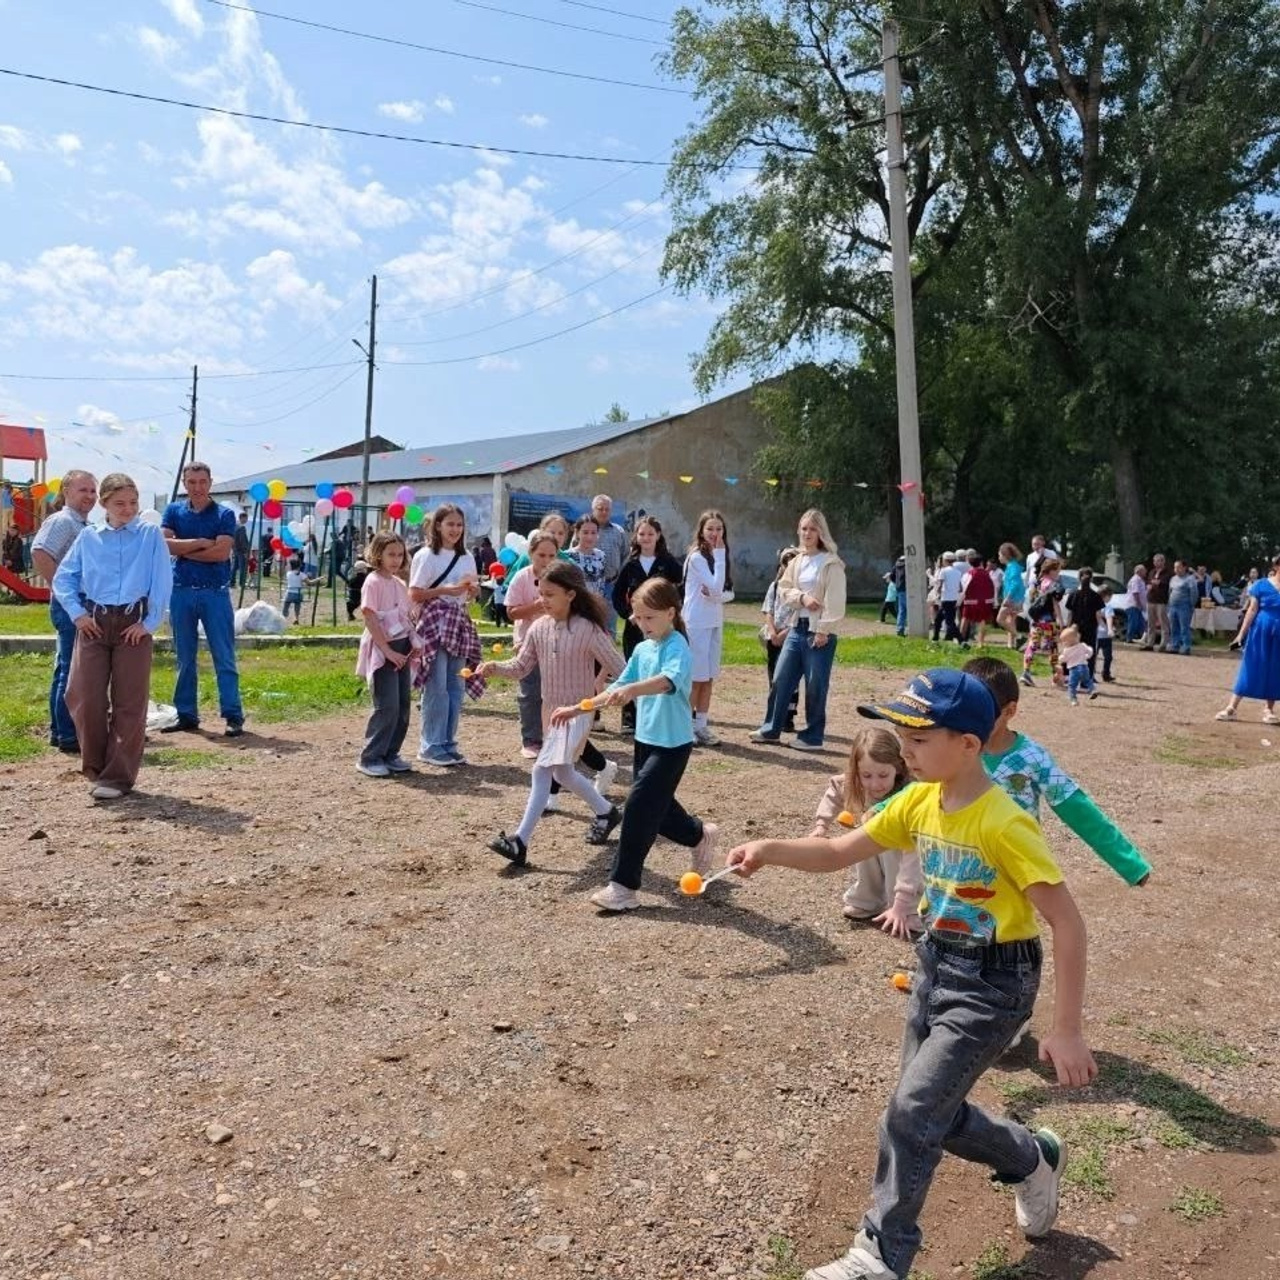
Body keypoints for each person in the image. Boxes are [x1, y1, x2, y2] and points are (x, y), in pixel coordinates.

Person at [726, 668, 1097, 1280]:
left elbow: (1067, 922)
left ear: (969, 745)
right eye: (901, 737)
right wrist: (769, 848)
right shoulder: (919, 798)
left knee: (912, 1109)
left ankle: (880, 1254)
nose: (904, 751)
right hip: (936, 966)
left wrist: (1067, 1028)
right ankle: (1032, 1157)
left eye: (919, 741)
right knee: (929, 1113)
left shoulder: (1004, 823)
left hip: (993, 983)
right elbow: (841, 852)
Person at [583, 577, 718, 910]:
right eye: (638, 617)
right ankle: (700, 835)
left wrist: (630, 691)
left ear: (671, 613)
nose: (642, 624)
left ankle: (623, 887)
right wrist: (580, 706)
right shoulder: (643, 649)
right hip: (645, 741)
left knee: (639, 807)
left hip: (673, 746)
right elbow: (624, 681)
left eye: (649, 617)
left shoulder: (678, 647)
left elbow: (665, 682)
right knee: (661, 811)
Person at [479, 561, 625, 867]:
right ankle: (606, 812)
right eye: (541, 593)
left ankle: (520, 841)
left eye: (550, 594)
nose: (542, 600)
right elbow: (521, 667)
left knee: (542, 770)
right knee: (562, 772)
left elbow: (620, 668)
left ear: (571, 594)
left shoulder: (588, 630)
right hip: (551, 712)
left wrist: (606, 696)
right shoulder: (539, 628)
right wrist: (495, 667)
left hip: (577, 713)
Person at [963, 657, 1151, 886]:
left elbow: (1077, 808)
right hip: (960, 863)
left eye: (984, 714)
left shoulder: (1032, 759)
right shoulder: (954, 749)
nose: (973, 722)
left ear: (1010, 711)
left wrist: (1129, 863)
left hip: (1015, 868)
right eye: (966, 711)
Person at [52, 473, 173, 801]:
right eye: (120, 503)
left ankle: (118, 777)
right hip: (94, 622)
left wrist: (148, 624)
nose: (128, 509)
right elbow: (64, 579)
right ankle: (95, 767)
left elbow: (162, 581)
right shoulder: (89, 537)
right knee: (83, 695)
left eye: (133, 502)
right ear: (104, 504)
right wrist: (77, 613)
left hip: (133, 624)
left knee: (129, 702)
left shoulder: (149, 535)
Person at [809, 725, 920, 934]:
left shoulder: (909, 789)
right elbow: (834, 792)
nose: (875, 784)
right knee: (862, 850)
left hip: (904, 848)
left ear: (898, 767)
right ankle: (866, 899)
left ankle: (909, 908)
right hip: (872, 838)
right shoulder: (854, 783)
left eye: (883, 775)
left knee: (893, 860)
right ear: (856, 771)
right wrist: (821, 824)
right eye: (867, 775)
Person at [750, 509, 845, 751]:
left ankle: (813, 736)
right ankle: (771, 728)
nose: (807, 533)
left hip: (818, 633)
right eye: (803, 528)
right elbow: (784, 590)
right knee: (781, 678)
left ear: (821, 532)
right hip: (796, 628)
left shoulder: (831, 563)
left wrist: (824, 629)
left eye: (812, 529)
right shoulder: (796, 561)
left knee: (815, 684)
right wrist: (802, 598)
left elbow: (835, 600)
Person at [162, 462, 245, 737]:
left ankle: (233, 715)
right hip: (181, 591)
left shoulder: (224, 514)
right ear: (185, 483)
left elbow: (221, 554)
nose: (197, 487)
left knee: (224, 655)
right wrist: (200, 542)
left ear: (210, 483)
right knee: (184, 657)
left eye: (202, 482)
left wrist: (183, 550)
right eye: (191, 482)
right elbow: (164, 545)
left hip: (215, 592)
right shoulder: (174, 510)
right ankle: (186, 714)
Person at [30, 469, 98, 754]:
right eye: (83, 490)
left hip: (77, 601)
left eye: (93, 491)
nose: (90, 496)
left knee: (67, 667)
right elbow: (40, 552)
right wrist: (63, 591)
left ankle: (62, 731)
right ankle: (68, 733)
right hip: (71, 604)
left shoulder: (81, 524)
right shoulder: (62, 521)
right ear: (66, 491)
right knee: (73, 670)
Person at [409, 503, 480, 767]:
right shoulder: (426, 555)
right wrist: (445, 591)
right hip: (434, 621)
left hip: (458, 621)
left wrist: (471, 591)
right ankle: (430, 744)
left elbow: (469, 591)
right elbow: (414, 593)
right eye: (450, 524)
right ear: (438, 526)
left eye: (459, 525)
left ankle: (448, 742)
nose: (455, 530)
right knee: (436, 685)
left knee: (455, 685)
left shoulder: (467, 557)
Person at [354, 531, 419, 778]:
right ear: (378, 555)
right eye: (390, 554)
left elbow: (405, 618)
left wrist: (414, 640)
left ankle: (391, 753)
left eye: (400, 554)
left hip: (402, 648)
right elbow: (370, 618)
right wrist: (387, 650)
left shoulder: (399, 584)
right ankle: (370, 756)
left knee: (403, 705)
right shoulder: (373, 582)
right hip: (383, 651)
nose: (396, 559)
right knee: (387, 705)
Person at [612, 516, 684, 736]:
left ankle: (655, 717)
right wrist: (628, 615)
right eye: (642, 534)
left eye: (650, 534)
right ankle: (629, 718)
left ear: (658, 536)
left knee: (657, 670)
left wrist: (669, 615)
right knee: (632, 669)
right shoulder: (630, 563)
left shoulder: (668, 562)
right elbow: (616, 595)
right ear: (636, 536)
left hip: (660, 629)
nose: (646, 538)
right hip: (635, 628)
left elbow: (679, 589)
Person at [505, 530, 562, 757]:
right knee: (530, 691)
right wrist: (536, 607)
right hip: (527, 641)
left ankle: (554, 737)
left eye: (551, 556)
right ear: (531, 554)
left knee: (555, 691)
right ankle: (531, 739)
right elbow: (511, 612)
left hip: (556, 641)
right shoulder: (522, 577)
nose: (546, 561)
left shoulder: (561, 579)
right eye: (541, 555)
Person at [683, 509, 734, 747]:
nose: (715, 534)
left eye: (719, 529)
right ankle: (686, 726)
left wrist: (718, 597)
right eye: (710, 529)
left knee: (709, 677)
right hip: (696, 623)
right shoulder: (697, 558)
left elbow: (727, 592)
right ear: (701, 531)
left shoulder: (721, 556)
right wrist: (718, 594)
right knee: (696, 677)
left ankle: (701, 725)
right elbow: (716, 588)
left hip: (714, 622)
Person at [1216, 553, 1280, 725]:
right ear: (1276, 566)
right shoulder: (1261, 585)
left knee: (1275, 669)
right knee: (1251, 665)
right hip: (1260, 631)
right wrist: (1241, 635)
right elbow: (1252, 610)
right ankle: (1232, 708)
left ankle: (1269, 709)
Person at [759, 547, 801, 736]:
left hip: (791, 637)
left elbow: (799, 615)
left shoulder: (800, 591)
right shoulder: (775, 586)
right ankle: (774, 715)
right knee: (774, 679)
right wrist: (773, 632)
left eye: (793, 562)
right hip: (773, 638)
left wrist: (784, 634)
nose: (789, 566)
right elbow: (768, 610)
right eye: (786, 562)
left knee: (791, 680)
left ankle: (789, 716)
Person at [1021, 557, 1065, 687]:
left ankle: (1026, 672)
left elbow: (1030, 600)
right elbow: (1055, 604)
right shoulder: (1053, 585)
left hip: (1035, 621)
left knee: (1032, 646)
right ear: (1051, 571)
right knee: (1053, 648)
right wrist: (1061, 621)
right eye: (1057, 570)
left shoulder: (1036, 583)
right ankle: (1055, 676)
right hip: (1048, 621)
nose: (1058, 573)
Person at [592, 494, 628, 636]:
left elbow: (626, 555)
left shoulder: (618, 531)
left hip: (611, 585)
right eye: (600, 509)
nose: (604, 512)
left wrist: (619, 578)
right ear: (593, 510)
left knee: (610, 627)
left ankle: (607, 657)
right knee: (588, 624)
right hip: (589, 586)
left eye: (607, 509)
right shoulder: (586, 529)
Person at [1063, 566, 1105, 677]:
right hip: (1090, 628)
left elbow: (1070, 613)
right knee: (1088, 652)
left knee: (1072, 650)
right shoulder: (1096, 596)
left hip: (1075, 628)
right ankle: (1087, 677)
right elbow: (1098, 614)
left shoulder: (1073, 594)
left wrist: (1067, 627)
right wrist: (1104, 627)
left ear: (1079, 578)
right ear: (1091, 579)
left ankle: (1069, 675)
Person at [958, 550, 996, 647]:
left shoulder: (968, 574)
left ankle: (961, 640)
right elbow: (992, 586)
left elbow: (964, 586)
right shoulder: (987, 574)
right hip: (984, 601)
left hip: (970, 601)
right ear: (981, 563)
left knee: (965, 619)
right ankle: (980, 642)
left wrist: (960, 600)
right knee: (982, 620)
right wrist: (993, 600)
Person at [568, 514, 608, 599]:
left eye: (593, 533)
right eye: (585, 532)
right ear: (578, 533)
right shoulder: (568, 556)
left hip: (595, 605)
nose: (589, 537)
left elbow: (601, 584)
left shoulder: (601, 555)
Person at [995, 543, 1025, 649]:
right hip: (1016, 597)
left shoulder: (1012, 567)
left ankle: (1019, 637)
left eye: (1000, 555)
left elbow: (1015, 584)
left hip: (1013, 597)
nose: (999, 558)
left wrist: (1007, 598)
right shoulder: (1012, 566)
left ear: (1005, 555)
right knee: (1010, 620)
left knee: (1000, 619)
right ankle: (1012, 644)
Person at [1057, 625, 1097, 705]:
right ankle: (1092, 690)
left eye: (1064, 641)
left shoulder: (1067, 650)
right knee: (1087, 680)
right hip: (1084, 667)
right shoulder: (1082, 645)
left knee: (1072, 685)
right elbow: (1090, 651)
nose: (1063, 643)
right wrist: (1086, 657)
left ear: (1068, 642)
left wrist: (1059, 657)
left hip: (1074, 669)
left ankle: (1073, 699)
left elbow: (1063, 659)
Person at [1166, 559, 1199, 656]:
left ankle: (1186, 646)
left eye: (1178, 567)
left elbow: (1194, 593)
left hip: (1184, 606)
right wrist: (1169, 604)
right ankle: (1175, 645)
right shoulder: (1173, 579)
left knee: (1184, 627)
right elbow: (1170, 592)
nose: (1176, 569)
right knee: (1173, 626)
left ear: (1184, 567)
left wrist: (1192, 604)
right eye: (1175, 567)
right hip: (1173, 606)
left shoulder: (1190, 579)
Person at [929, 550, 963, 642]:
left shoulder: (943, 571)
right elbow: (960, 588)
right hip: (954, 599)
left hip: (946, 598)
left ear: (946, 560)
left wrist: (938, 595)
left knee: (949, 621)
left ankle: (961, 639)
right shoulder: (958, 572)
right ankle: (935, 637)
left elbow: (940, 584)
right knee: (939, 619)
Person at [1142, 553, 1169, 651]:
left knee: (1163, 623)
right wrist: (1150, 585)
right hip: (1151, 599)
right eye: (1155, 561)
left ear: (1163, 561)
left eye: (1158, 560)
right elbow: (1149, 582)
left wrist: (1158, 583)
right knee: (1150, 623)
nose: (1156, 563)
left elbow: (1164, 583)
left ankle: (1163, 644)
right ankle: (1150, 643)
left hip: (1161, 601)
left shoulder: (1167, 573)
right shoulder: (1152, 572)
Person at [1096, 586, 1116, 682]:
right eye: (1110, 596)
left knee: (1092, 656)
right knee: (1108, 657)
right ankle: (1106, 674)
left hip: (1095, 635)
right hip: (1105, 635)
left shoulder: (1094, 606)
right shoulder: (1107, 607)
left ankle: (1090, 674)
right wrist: (1110, 629)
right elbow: (1109, 618)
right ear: (1106, 596)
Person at [346, 548, 371, 622]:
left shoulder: (353, 579)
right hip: (361, 598)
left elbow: (349, 584)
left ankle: (350, 614)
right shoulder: (366, 579)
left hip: (353, 598)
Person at [1124, 564, 1147, 642]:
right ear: (1139, 571)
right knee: (1133, 622)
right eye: (1144, 570)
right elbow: (1135, 592)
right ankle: (1129, 637)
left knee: (1141, 623)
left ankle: (1143, 638)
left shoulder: (1139, 580)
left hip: (1137, 605)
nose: (1145, 572)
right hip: (1133, 605)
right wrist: (1139, 603)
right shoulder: (1136, 580)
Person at [282, 558, 308, 622]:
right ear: (299, 566)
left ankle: (284, 617)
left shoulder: (288, 574)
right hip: (298, 594)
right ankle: (296, 618)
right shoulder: (302, 574)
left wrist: (283, 563)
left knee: (286, 604)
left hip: (289, 593)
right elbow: (310, 582)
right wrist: (318, 579)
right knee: (297, 605)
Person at [232, 512, 251, 591]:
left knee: (234, 567)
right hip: (241, 550)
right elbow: (242, 540)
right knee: (242, 568)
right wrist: (246, 551)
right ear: (242, 518)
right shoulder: (242, 527)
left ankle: (232, 582)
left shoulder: (234, 526)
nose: (246, 520)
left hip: (235, 549)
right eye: (246, 518)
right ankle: (241, 584)